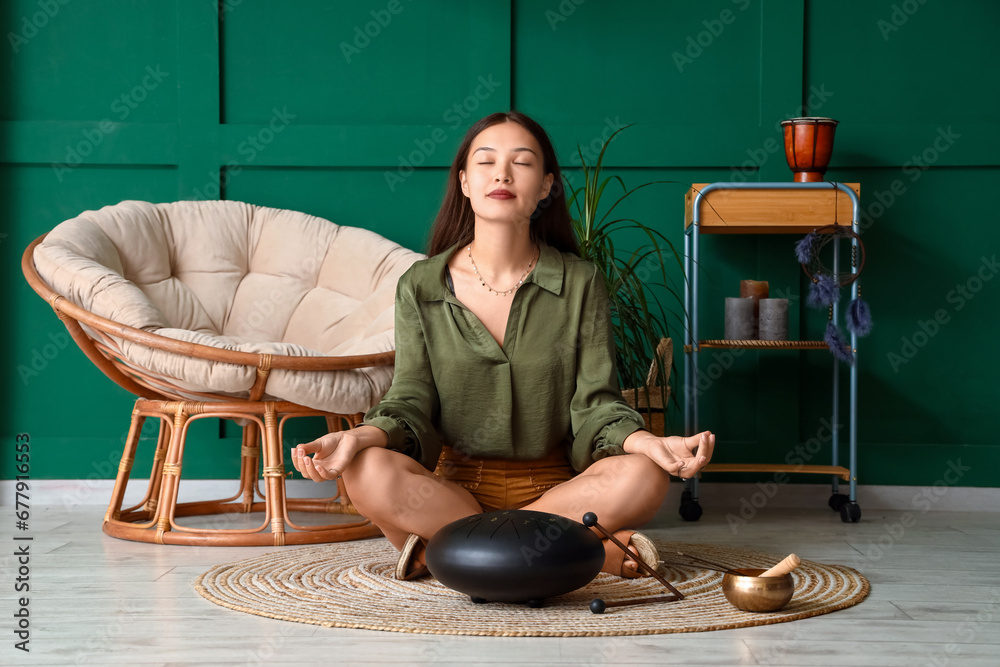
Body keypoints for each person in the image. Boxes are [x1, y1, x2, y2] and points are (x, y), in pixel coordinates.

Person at [291, 111, 715, 581]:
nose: (502, 173)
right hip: (451, 493)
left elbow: (597, 404)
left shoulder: (580, 281)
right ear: (465, 182)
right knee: (365, 469)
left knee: (645, 475)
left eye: (523, 162)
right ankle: (585, 552)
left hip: (559, 492)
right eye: (486, 160)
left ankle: (448, 553)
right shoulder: (420, 284)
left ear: (547, 185)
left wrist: (651, 444)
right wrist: (355, 437)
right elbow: (409, 400)